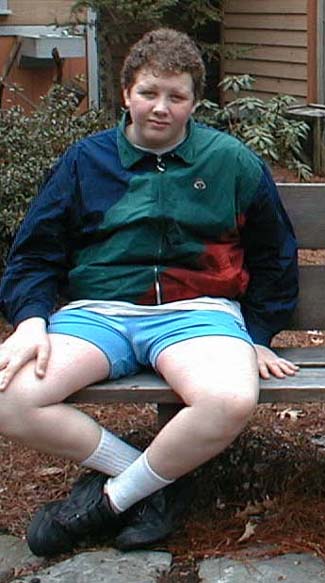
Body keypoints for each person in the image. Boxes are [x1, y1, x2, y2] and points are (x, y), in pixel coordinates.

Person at [0, 28, 299, 555]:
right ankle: (153, 483)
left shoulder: (230, 162)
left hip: (197, 313)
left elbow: (276, 256)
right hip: (98, 314)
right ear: (126, 94)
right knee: (10, 400)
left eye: (176, 96)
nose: (160, 108)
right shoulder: (85, 162)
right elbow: (34, 253)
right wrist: (30, 322)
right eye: (148, 92)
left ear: (195, 102)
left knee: (230, 398)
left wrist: (256, 334)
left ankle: (110, 502)